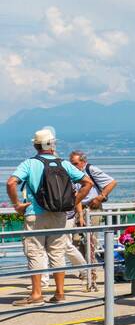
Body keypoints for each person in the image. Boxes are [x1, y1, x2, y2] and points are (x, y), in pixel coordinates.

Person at [6, 128, 91, 305]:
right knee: (58, 253)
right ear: (52, 145)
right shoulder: (64, 164)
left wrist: (17, 205)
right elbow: (87, 183)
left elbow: (11, 182)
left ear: (35, 145)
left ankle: (37, 294)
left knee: (35, 253)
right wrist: (74, 201)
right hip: (59, 215)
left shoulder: (29, 164)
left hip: (35, 215)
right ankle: (59, 293)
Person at [64, 151, 116, 292]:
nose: (73, 166)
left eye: (75, 163)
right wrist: (80, 214)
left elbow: (112, 182)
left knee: (90, 242)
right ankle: (84, 271)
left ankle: (91, 276)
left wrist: (101, 197)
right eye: (72, 164)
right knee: (75, 242)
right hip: (78, 207)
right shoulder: (73, 174)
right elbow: (76, 195)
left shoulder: (90, 170)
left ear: (83, 162)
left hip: (92, 208)